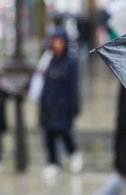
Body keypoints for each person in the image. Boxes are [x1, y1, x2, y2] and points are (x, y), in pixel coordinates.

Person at [40, 28, 82, 178]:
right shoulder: (47, 60)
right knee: (49, 134)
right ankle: (53, 162)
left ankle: (73, 153)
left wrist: (74, 106)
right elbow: (41, 81)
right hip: (48, 104)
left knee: (64, 132)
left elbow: (73, 86)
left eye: (60, 41)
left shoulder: (71, 62)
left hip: (63, 105)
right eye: (54, 41)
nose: (57, 45)